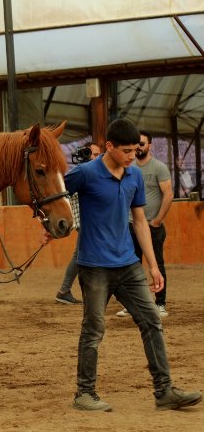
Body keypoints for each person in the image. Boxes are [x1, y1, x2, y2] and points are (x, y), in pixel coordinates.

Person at [52, 117, 201, 412]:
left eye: (136, 150)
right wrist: (49, 226)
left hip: (129, 264)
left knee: (152, 321)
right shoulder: (85, 173)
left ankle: (164, 391)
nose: (133, 156)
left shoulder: (133, 177)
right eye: (127, 151)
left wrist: (154, 266)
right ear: (109, 147)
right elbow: (53, 195)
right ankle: (84, 393)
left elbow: (140, 220)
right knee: (93, 329)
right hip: (94, 266)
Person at [116, 131, 173, 318]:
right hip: (131, 225)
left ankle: (160, 303)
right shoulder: (128, 168)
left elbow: (168, 194)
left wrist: (157, 221)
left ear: (150, 146)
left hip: (152, 226)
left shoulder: (159, 167)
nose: (138, 147)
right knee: (131, 266)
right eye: (135, 144)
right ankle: (131, 304)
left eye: (142, 143)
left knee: (156, 264)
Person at [55, 142, 102, 304]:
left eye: (98, 154)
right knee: (81, 256)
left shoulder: (85, 172)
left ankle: (65, 290)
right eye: (94, 154)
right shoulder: (81, 173)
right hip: (84, 221)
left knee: (81, 255)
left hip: (87, 221)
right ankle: (65, 290)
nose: (98, 157)